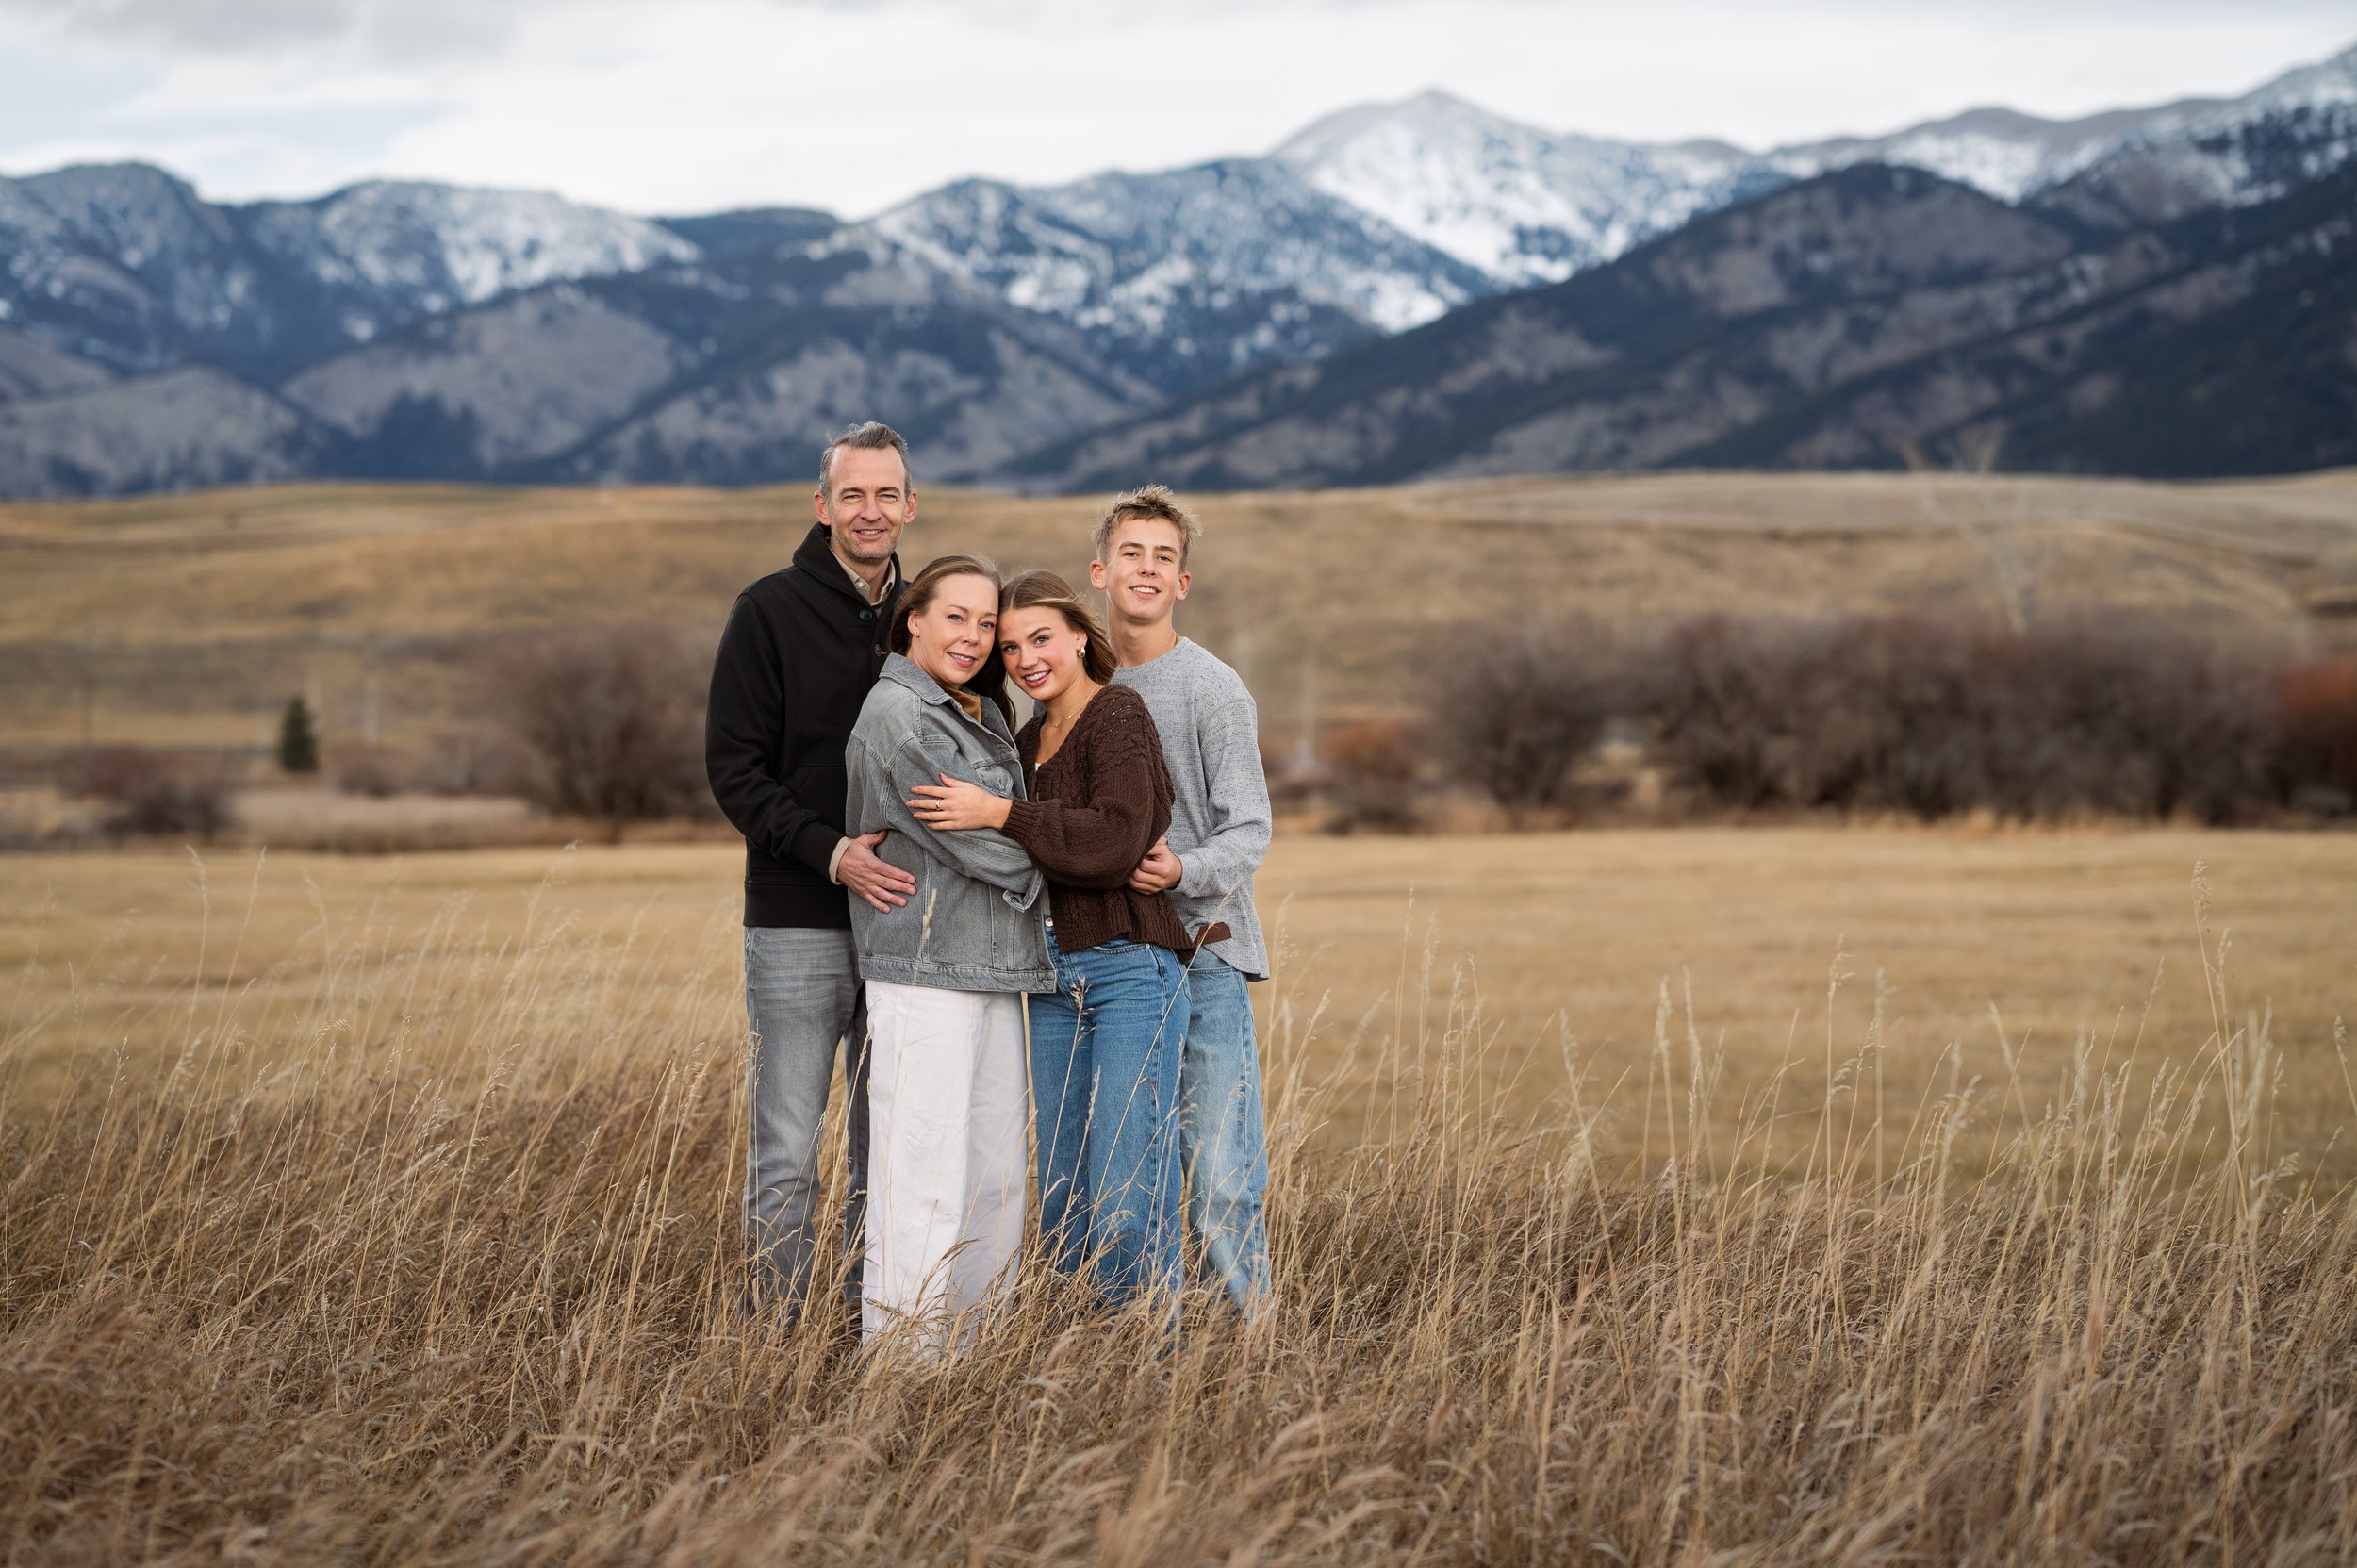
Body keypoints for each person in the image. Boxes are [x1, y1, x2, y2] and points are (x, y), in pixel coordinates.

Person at [911, 571, 1212, 1311]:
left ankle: (1147, 1363)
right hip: (1049, 982)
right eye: (1010, 646)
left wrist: (1001, 812)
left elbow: (1113, 840)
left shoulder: (1118, 715)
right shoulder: (1022, 741)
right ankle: (1085, 1369)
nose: (1024, 657)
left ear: (1081, 635)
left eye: (1040, 638)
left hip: (1129, 971)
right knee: (1067, 1192)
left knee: (1123, 1180)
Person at [704, 421, 921, 1323]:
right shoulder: (767, 611)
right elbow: (734, 767)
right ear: (822, 504)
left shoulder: (935, 616)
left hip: (910, 923)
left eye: (887, 495)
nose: (870, 512)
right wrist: (829, 851)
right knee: (789, 1146)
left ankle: (871, 1329)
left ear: (912, 506)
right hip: (798, 917)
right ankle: (780, 1342)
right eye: (852, 494)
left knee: (890, 1146)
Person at [844, 555, 1051, 1352]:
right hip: (927, 967)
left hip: (995, 962)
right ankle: (902, 1368)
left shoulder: (973, 709)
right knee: (921, 1179)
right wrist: (1069, 859)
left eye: (985, 621)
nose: (972, 635)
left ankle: (973, 1357)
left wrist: (1020, 828)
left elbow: (997, 819)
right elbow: (971, 841)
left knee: (994, 1178)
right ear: (914, 621)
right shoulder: (900, 714)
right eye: (955, 616)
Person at [1095, 487, 1275, 1312]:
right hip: (1110, 964)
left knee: (1219, 1178)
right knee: (1128, 1177)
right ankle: (1142, 1353)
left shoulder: (1213, 688)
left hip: (1203, 953)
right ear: (1100, 570)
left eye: (1163, 557)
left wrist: (1183, 871)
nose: (1147, 568)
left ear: (1182, 582)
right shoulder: (1071, 682)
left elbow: (1251, 829)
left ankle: (1251, 1362)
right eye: (1132, 552)